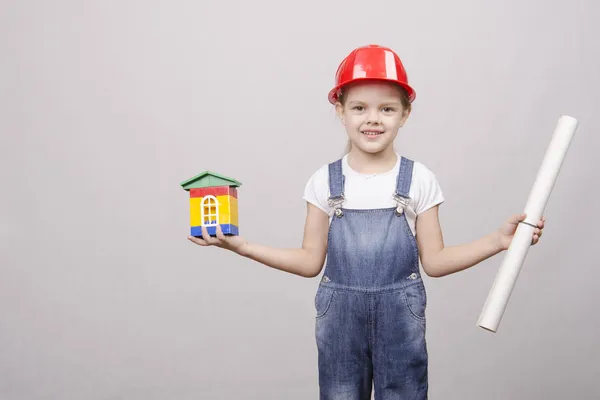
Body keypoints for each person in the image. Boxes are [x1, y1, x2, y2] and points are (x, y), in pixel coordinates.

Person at [188, 44, 546, 400]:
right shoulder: (324, 182)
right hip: (340, 321)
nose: (373, 118)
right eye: (359, 108)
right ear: (340, 111)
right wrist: (243, 246)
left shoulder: (419, 179)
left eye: (386, 109)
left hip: (400, 319)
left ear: (405, 114)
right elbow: (310, 261)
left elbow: (435, 262)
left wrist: (498, 241)